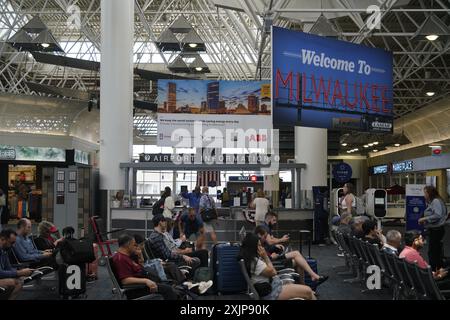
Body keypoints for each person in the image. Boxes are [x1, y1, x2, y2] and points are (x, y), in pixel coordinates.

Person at [239, 233, 316, 300]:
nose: (261, 247)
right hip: (272, 293)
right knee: (308, 291)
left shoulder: (250, 259)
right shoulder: (255, 263)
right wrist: (265, 257)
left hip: (272, 286)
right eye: (259, 245)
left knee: (309, 292)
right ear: (253, 247)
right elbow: (273, 272)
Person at [112, 233, 179, 300]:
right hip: (138, 289)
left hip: (145, 283)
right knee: (169, 290)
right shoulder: (120, 259)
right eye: (134, 244)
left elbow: (139, 267)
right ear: (128, 245)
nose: (135, 246)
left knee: (172, 286)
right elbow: (125, 280)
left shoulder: (127, 256)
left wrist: (139, 255)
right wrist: (146, 281)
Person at [255, 226, 328, 285]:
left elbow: (267, 249)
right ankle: (312, 277)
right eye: (264, 237)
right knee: (296, 255)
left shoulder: (261, 242)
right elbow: (264, 257)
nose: (265, 239)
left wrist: (275, 248)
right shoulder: (258, 245)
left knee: (298, 260)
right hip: (273, 262)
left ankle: (305, 285)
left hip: (273, 259)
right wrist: (271, 256)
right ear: (259, 235)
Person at [418, 185, 448, 271]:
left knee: (433, 253)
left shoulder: (436, 201)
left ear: (429, 193)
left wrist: (424, 218)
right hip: (435, 230)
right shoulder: (434, 201)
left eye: (425, 193)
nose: (424, 195)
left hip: (436, 231)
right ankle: (436, 270)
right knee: (435, 252)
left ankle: (434, 272)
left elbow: (437, 215)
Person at [0, 229, 34, 300]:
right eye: (12, 242)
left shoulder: (4, 251)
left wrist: (21, 272)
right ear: (3, 239)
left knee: (20, 280)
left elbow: (8, 268)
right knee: (16, 283)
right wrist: (18, 273)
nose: (14, 245)